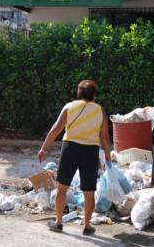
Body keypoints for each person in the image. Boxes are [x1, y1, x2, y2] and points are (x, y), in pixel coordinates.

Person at [37, 80, 111, 235]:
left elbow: (56, 129)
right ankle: (86, 226)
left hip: (70, 148)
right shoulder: (100, 110)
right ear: (94, 95)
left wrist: (44, 148)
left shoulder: (69, 107)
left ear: (78, 92)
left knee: (62, 188)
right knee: (89, 191)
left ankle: (58, 223)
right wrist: (108, 159)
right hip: (91, 151)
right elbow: (104, 137)